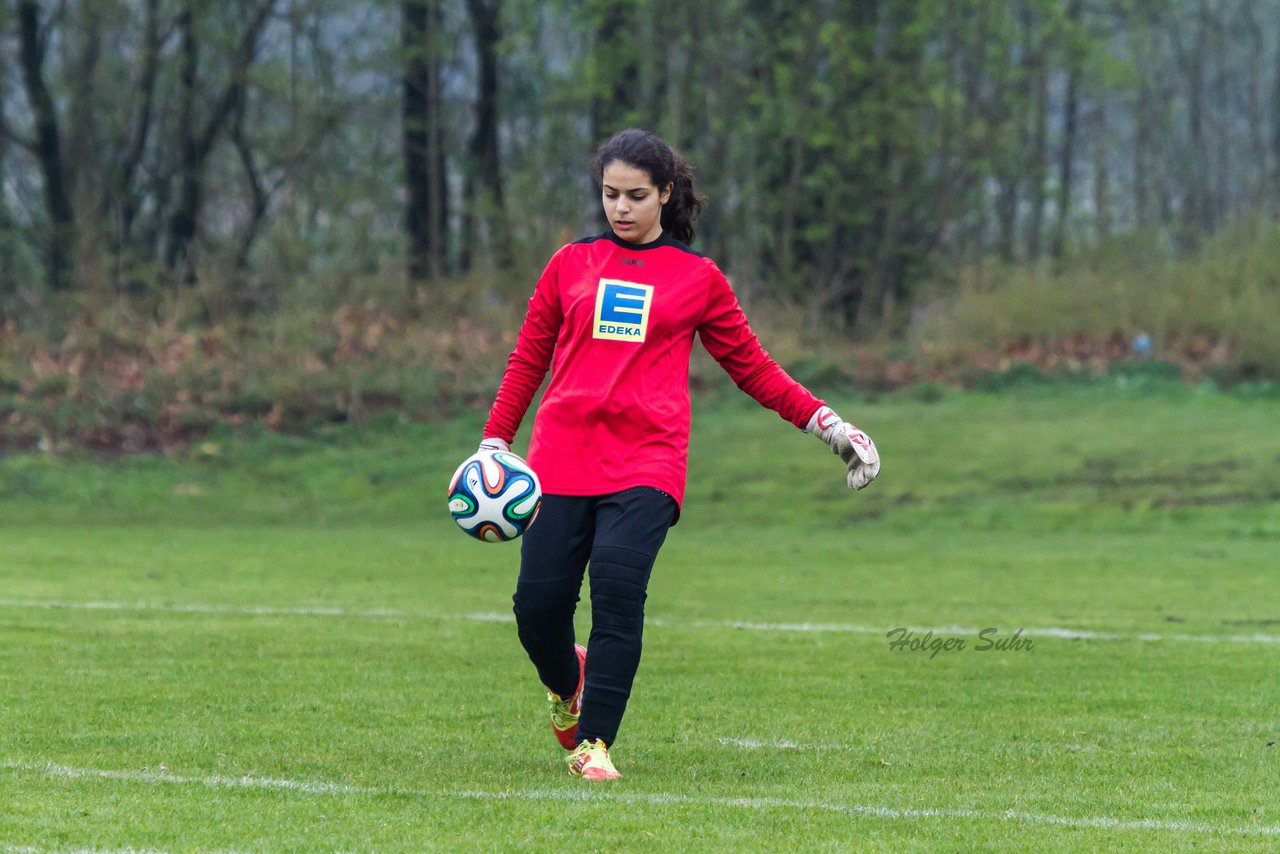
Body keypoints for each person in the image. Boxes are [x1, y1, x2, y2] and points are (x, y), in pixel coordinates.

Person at [477, 128, 880, 780]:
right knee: (538, 606)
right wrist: (495, 442)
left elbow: (754, 369)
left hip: (647, 462)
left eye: (636, 195)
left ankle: (595, 744)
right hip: (561, 458)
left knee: (617, 586)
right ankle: (565, 682)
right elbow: (529, 357)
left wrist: (830, 425)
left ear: (666, 194)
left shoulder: (697, 279)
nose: (621, 208)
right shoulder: (568, 265)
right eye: (610, 194)